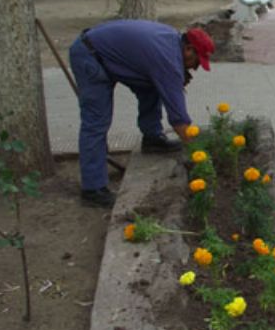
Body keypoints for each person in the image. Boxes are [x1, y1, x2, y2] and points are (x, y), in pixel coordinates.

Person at [69, 20, 214, 208]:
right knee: (96, 122)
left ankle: (152, 138)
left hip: (104, 52)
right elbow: (179, 120)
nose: (195, 68)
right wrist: (199, 154)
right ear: (188, 49)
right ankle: (93, 189)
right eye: (197, 61)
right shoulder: (168, 60)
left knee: (152, 88)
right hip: (90, 56)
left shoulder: (171, 42)